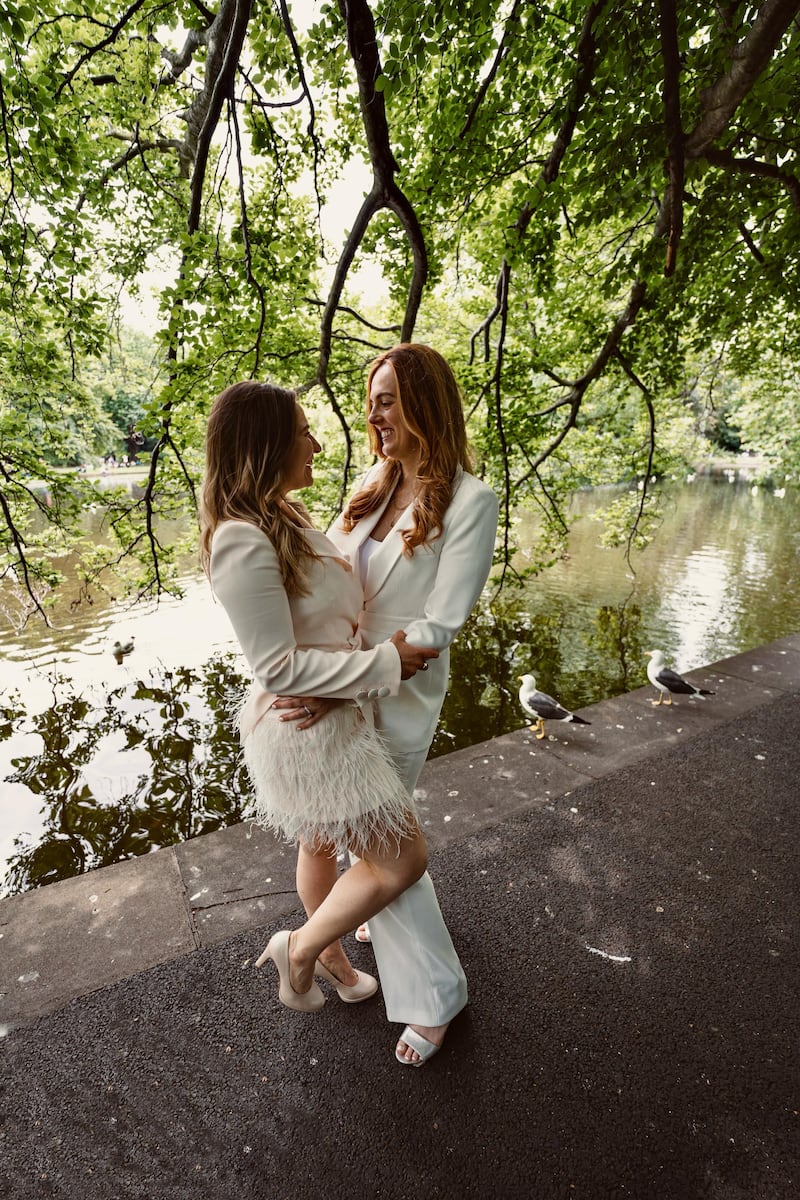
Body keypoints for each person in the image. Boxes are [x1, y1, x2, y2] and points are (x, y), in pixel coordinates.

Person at [274, 343, 499, 1065]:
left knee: (384, 840)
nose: (373, 415)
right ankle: (350, 930)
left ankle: (435, 998)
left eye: (387, 400)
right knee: (362, 841)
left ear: (425, 405)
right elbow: (330, 580)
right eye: (370, 401)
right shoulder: (370, 486)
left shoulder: (471, 501)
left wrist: (338, 684)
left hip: (397, 693)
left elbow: (439, 625)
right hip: (334, 681)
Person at [199, 380, 440, 1051]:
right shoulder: (240, 539)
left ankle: (333, 963)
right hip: (311, 732)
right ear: (267, 443)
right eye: (304, 431)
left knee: (319, 844)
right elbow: (277, 668)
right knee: (401, 862)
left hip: (328, 719)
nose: (317, 442)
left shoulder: (286, 514)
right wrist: (387, 663)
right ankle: (301, 949)